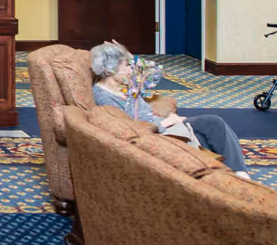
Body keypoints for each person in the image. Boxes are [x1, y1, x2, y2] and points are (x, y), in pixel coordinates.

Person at [89, 41, 253, 179]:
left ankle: (238, 173)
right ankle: (237, 175)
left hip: (163, 125)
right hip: (158, 132)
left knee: (212, 126)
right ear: (109, 70)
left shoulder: (125, 85)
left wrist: (132, 58)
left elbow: (155, 74)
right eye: (126, 66)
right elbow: (127, 129)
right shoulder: (104, 97)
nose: (131, 70)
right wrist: (168, 122)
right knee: (208, 133)